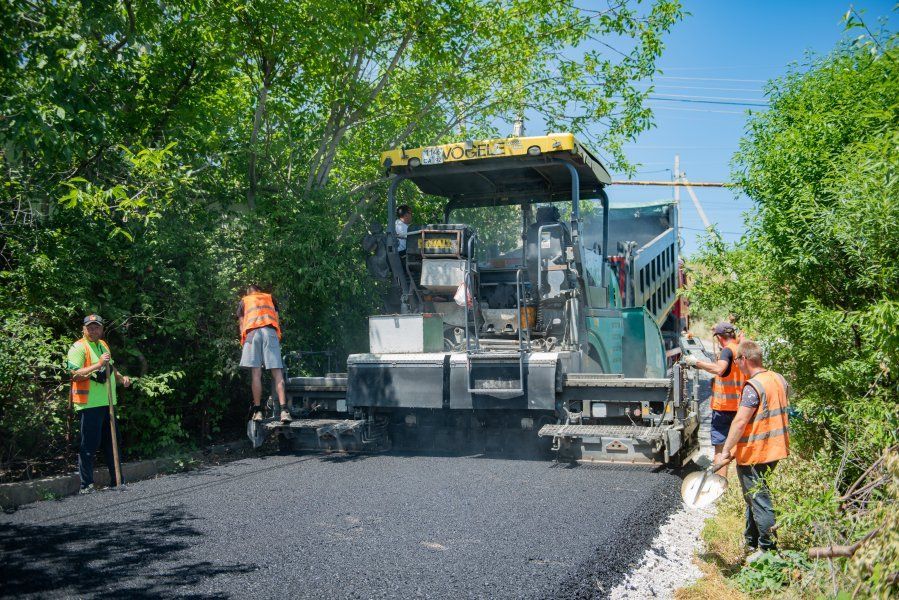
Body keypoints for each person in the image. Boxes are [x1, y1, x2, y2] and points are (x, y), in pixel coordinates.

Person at [714, 339, 791, 562]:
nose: (736, 364)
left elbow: (739, 422)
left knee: (759, 499)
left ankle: (767, 550)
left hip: (756, 453)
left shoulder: (752, 387)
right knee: (753, 496)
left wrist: (725, 452)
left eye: (737, 360)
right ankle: (751, 541)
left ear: (744, 359)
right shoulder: (778, 378)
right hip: (775, 450)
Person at [67, 314, 132, 494]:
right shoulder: (78, 347)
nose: (93, 330)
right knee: (89, 445)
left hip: (108, 403)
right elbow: (74, 374)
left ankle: (117, 481)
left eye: (96, 327)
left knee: (113, 442)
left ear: (102, 329)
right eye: (90, 327)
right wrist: (97, 365)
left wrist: (120, 378)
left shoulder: (103, 345)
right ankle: (86, 485)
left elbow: (110, 365)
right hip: (89, 405)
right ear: (83, 329)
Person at [683, 321, 746, 477]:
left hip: (724, 408)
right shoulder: (741, 349)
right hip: (739, 407)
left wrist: (695, 362)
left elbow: (719, 369)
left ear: (719, 337)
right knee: (739, 447)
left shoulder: (726, 351)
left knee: (720, 449)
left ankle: (719, 484)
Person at [237, 284, 291, 423]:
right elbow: (277, 317)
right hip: (269, 331)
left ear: (248, 293)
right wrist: (276, 336)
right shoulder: (269, 297)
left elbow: (242, 322)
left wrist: (243, 341)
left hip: (252, 334)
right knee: (277, 373)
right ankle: (284, 411)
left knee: (256, 374)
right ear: (259, 291)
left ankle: (258, 411)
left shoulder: (244, 301)